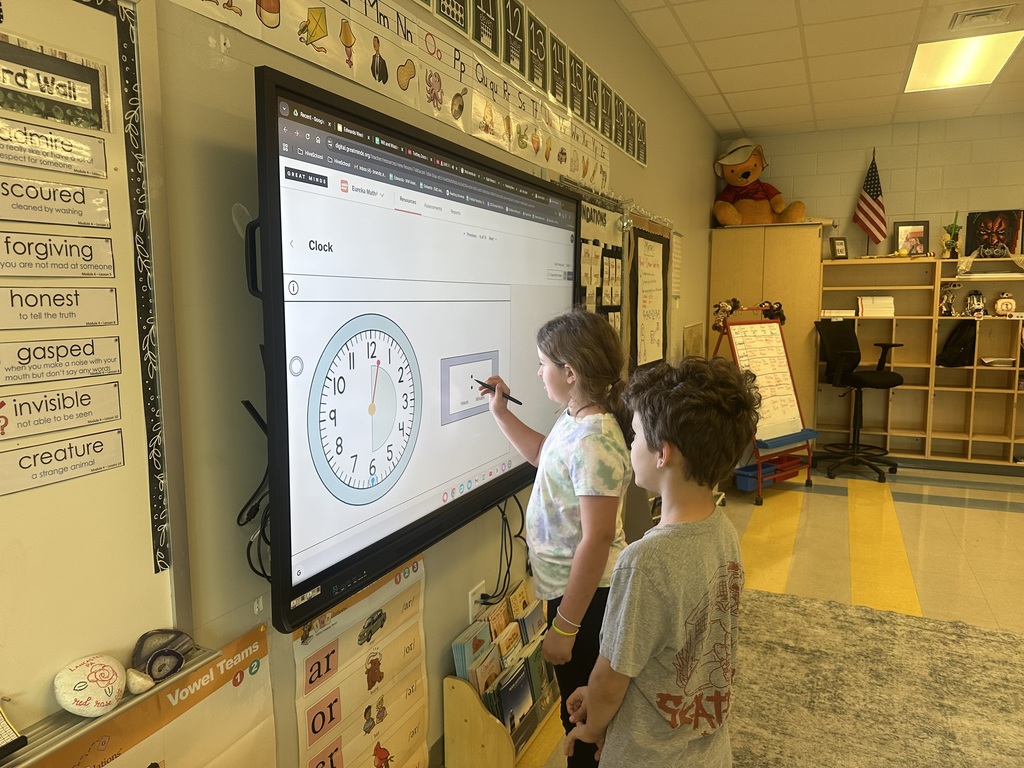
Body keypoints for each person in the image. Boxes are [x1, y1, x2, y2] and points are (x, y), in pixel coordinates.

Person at [563, 356, 760, 767]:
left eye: (634, 435)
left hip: (647, 756)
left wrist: (594, 724)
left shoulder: (644, 562)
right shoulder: (723, 531)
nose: (631, 445)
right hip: (707, 750)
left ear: (662, 453)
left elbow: (611, 678)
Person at [479, 308, 632, 768]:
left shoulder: (595, 439)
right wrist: (500, 414)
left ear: (570, 373)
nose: (537, 372)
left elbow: (598, 538)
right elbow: (545, 457)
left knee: (585, 723)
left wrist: (564, 628)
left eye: (543, 363)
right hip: (573, 594)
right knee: (582, 717)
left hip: (589, 600)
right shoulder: (575, 419)